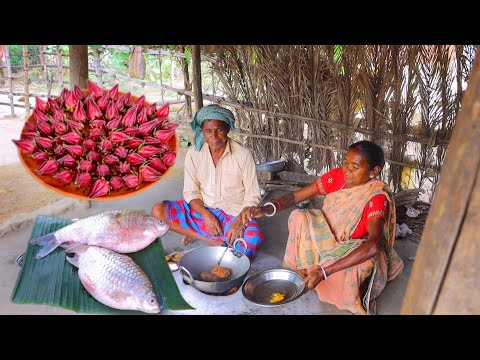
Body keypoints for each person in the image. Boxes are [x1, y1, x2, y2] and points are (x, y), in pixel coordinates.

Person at [249, 140, 404, 314]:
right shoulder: (337, 177)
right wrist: (267, 208)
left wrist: (324, 272)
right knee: (299, 216)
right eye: (345, 163)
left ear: (374, 171)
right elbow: (295, 197)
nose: (347, 171)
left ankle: (331, 284)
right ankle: (297, 272)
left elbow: (374, 245)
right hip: (324, 237)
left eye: (355, 167)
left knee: (364, 262)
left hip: (347, 248)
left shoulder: (376, 196)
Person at [152, 104, 264, 259]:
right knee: (159, 211)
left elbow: (252, 195)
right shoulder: (194, 154)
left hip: (233, 214)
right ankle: (208, 239)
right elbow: (191, 192)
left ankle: (206, 234)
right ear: (202, 131)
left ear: (228, 129)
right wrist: (206, 215)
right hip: (203, 211)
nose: (214, 136)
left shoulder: (243, 155)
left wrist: (240, 221)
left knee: (253, 239)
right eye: (208, 131)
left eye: (220, 130)